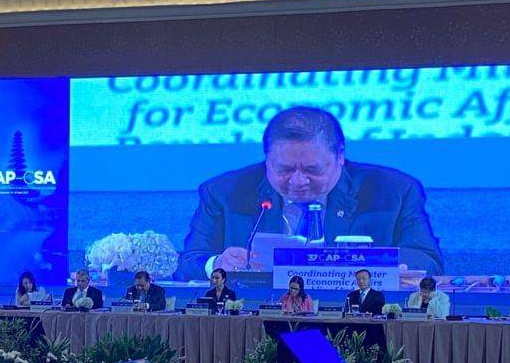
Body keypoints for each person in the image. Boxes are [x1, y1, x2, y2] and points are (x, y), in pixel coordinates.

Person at [178, 106, 443, 279]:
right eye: (284, 169)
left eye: (312, 169)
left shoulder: (394, 192)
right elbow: (188, 264)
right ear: (267, 159)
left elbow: (428, 261)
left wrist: (371, 263)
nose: (298, 181)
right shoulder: (223, 193)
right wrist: (216, 263)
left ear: (340, 156)